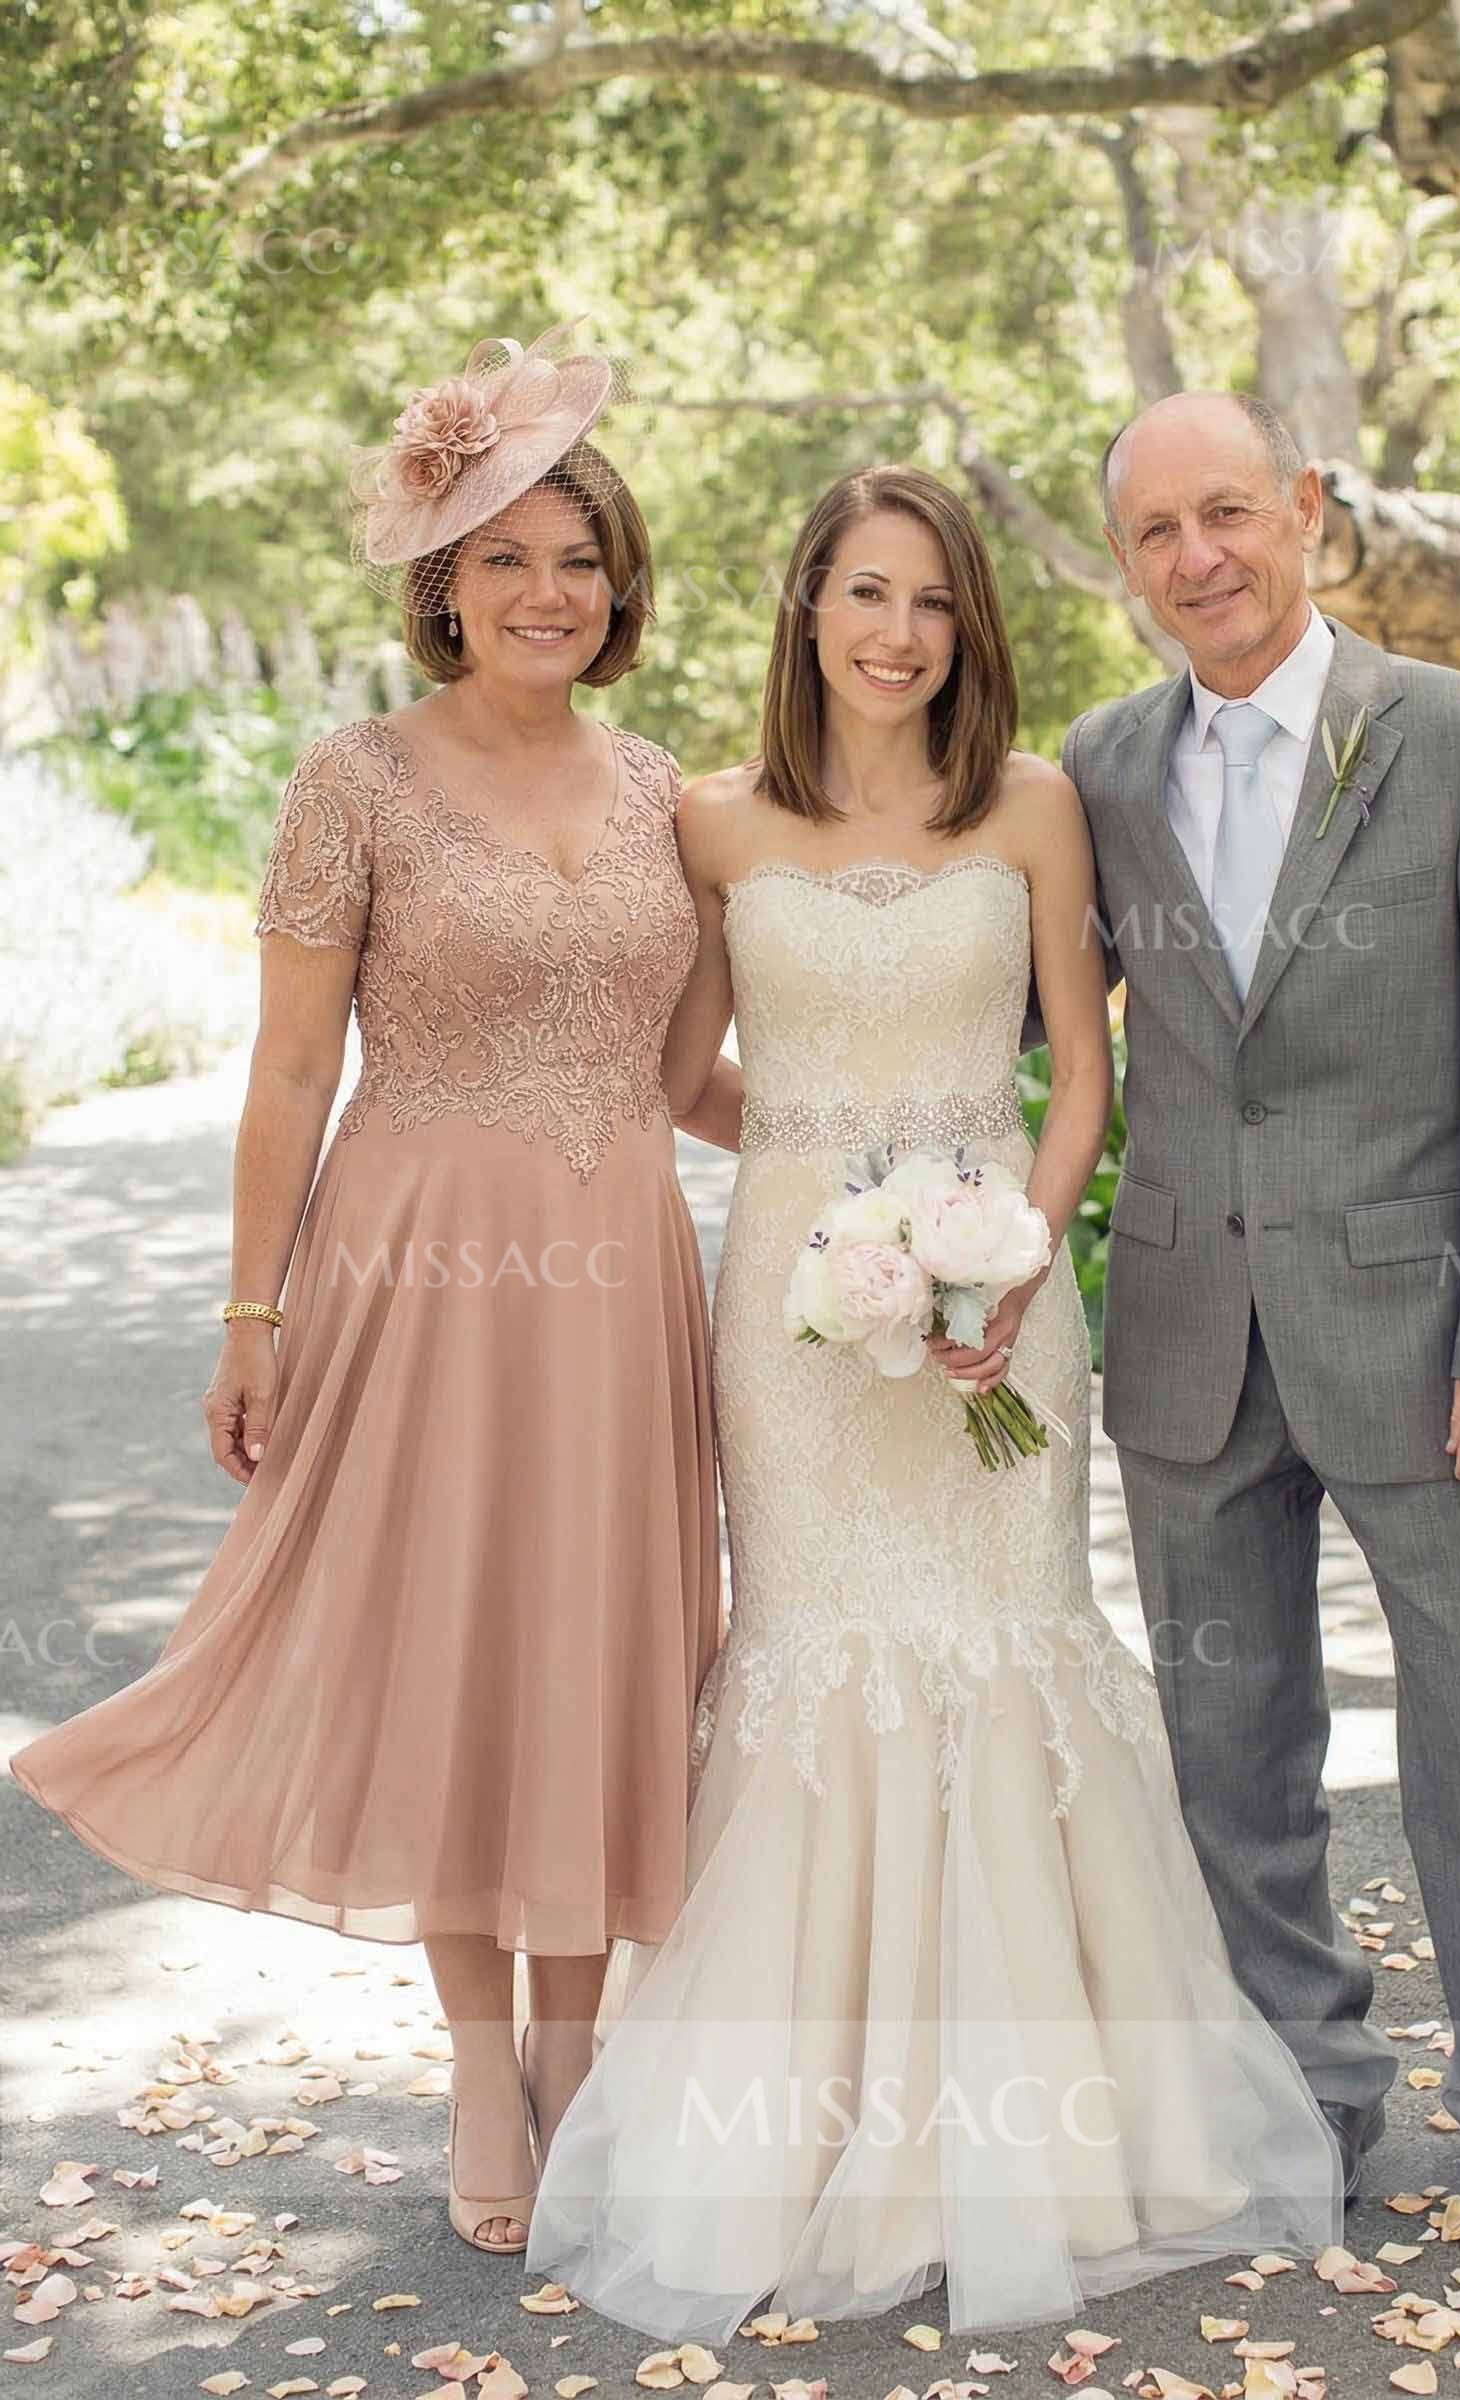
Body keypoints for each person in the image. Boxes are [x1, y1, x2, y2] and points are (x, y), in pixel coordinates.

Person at [524, 463, 1343, 2342]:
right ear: (807, 606)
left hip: (1004, 1294)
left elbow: (1081, 1081)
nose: (898, 634)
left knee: (1005, 1643)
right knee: (819, 1655)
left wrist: (1005, 1250)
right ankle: (796, 2145)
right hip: (794, 1321)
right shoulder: (713, 821)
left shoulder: (1035, 807)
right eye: (866, 594)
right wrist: (842, 1181)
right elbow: (681, 1077)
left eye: (934, 601)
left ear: (968, 625)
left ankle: (1054, 2140)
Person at [8, 322, 733, 2258]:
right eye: (505, 557)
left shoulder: (667, 790)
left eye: (578, 559)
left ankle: (578, 2054)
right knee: (458, 1656)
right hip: (418, 1275)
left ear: (621, 588)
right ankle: (483, 2067)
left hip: (619, 1278)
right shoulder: (355, 779)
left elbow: (689, 1075)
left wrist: (892, 1150)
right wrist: (251, 1315)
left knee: (596, 1647)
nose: (546, 591)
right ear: (441, 583)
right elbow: (284, 1077)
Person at [1051, 387, 1460, 2264]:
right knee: (1231, 1739)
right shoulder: (1100, 766)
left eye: (1227, 512)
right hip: (1189, 1335)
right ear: (1126, 560)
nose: (1197, 557)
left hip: (1424, 1339)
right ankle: (1302, 2093)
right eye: (1158, 531)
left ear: (1304, 507)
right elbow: (1040, 1022)